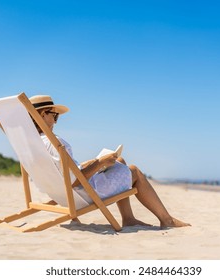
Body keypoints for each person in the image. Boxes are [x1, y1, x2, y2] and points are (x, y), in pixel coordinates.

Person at [29, 95, 190, 229]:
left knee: (119, 160)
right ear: (42, 114)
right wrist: (99, 163)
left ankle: (128, 219)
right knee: (134, 171)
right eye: (53, 115)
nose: (56, 120)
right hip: (84, 193)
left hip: (61, 195)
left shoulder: (32, 144)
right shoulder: (55, 143)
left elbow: (65, 172)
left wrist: (93, 162)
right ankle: (167, 220)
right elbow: (74, 181)